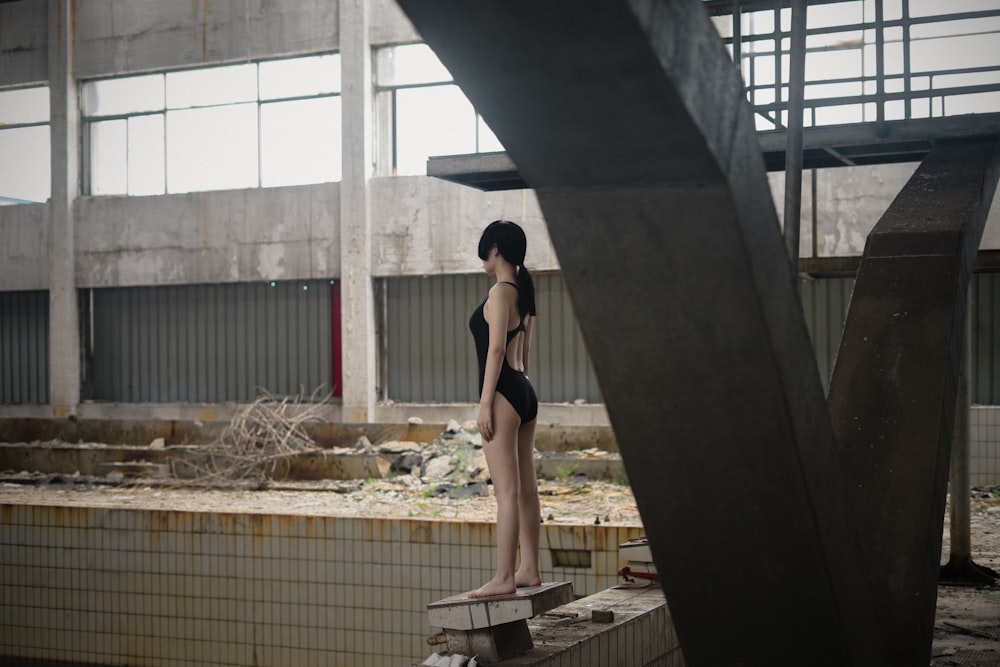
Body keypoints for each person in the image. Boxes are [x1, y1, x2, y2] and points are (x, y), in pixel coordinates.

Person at [468, 220, 541, 598]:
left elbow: (495, 350)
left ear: (495, 248)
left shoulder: (499, 293)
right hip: (525, 390)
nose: (483, 256)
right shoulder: (525, 289)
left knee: (507, 493)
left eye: (484, 250)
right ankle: (529, 569)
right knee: (527, 488)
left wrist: (485, 405)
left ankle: (504, 577)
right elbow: (523, 355)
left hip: (503, 394)